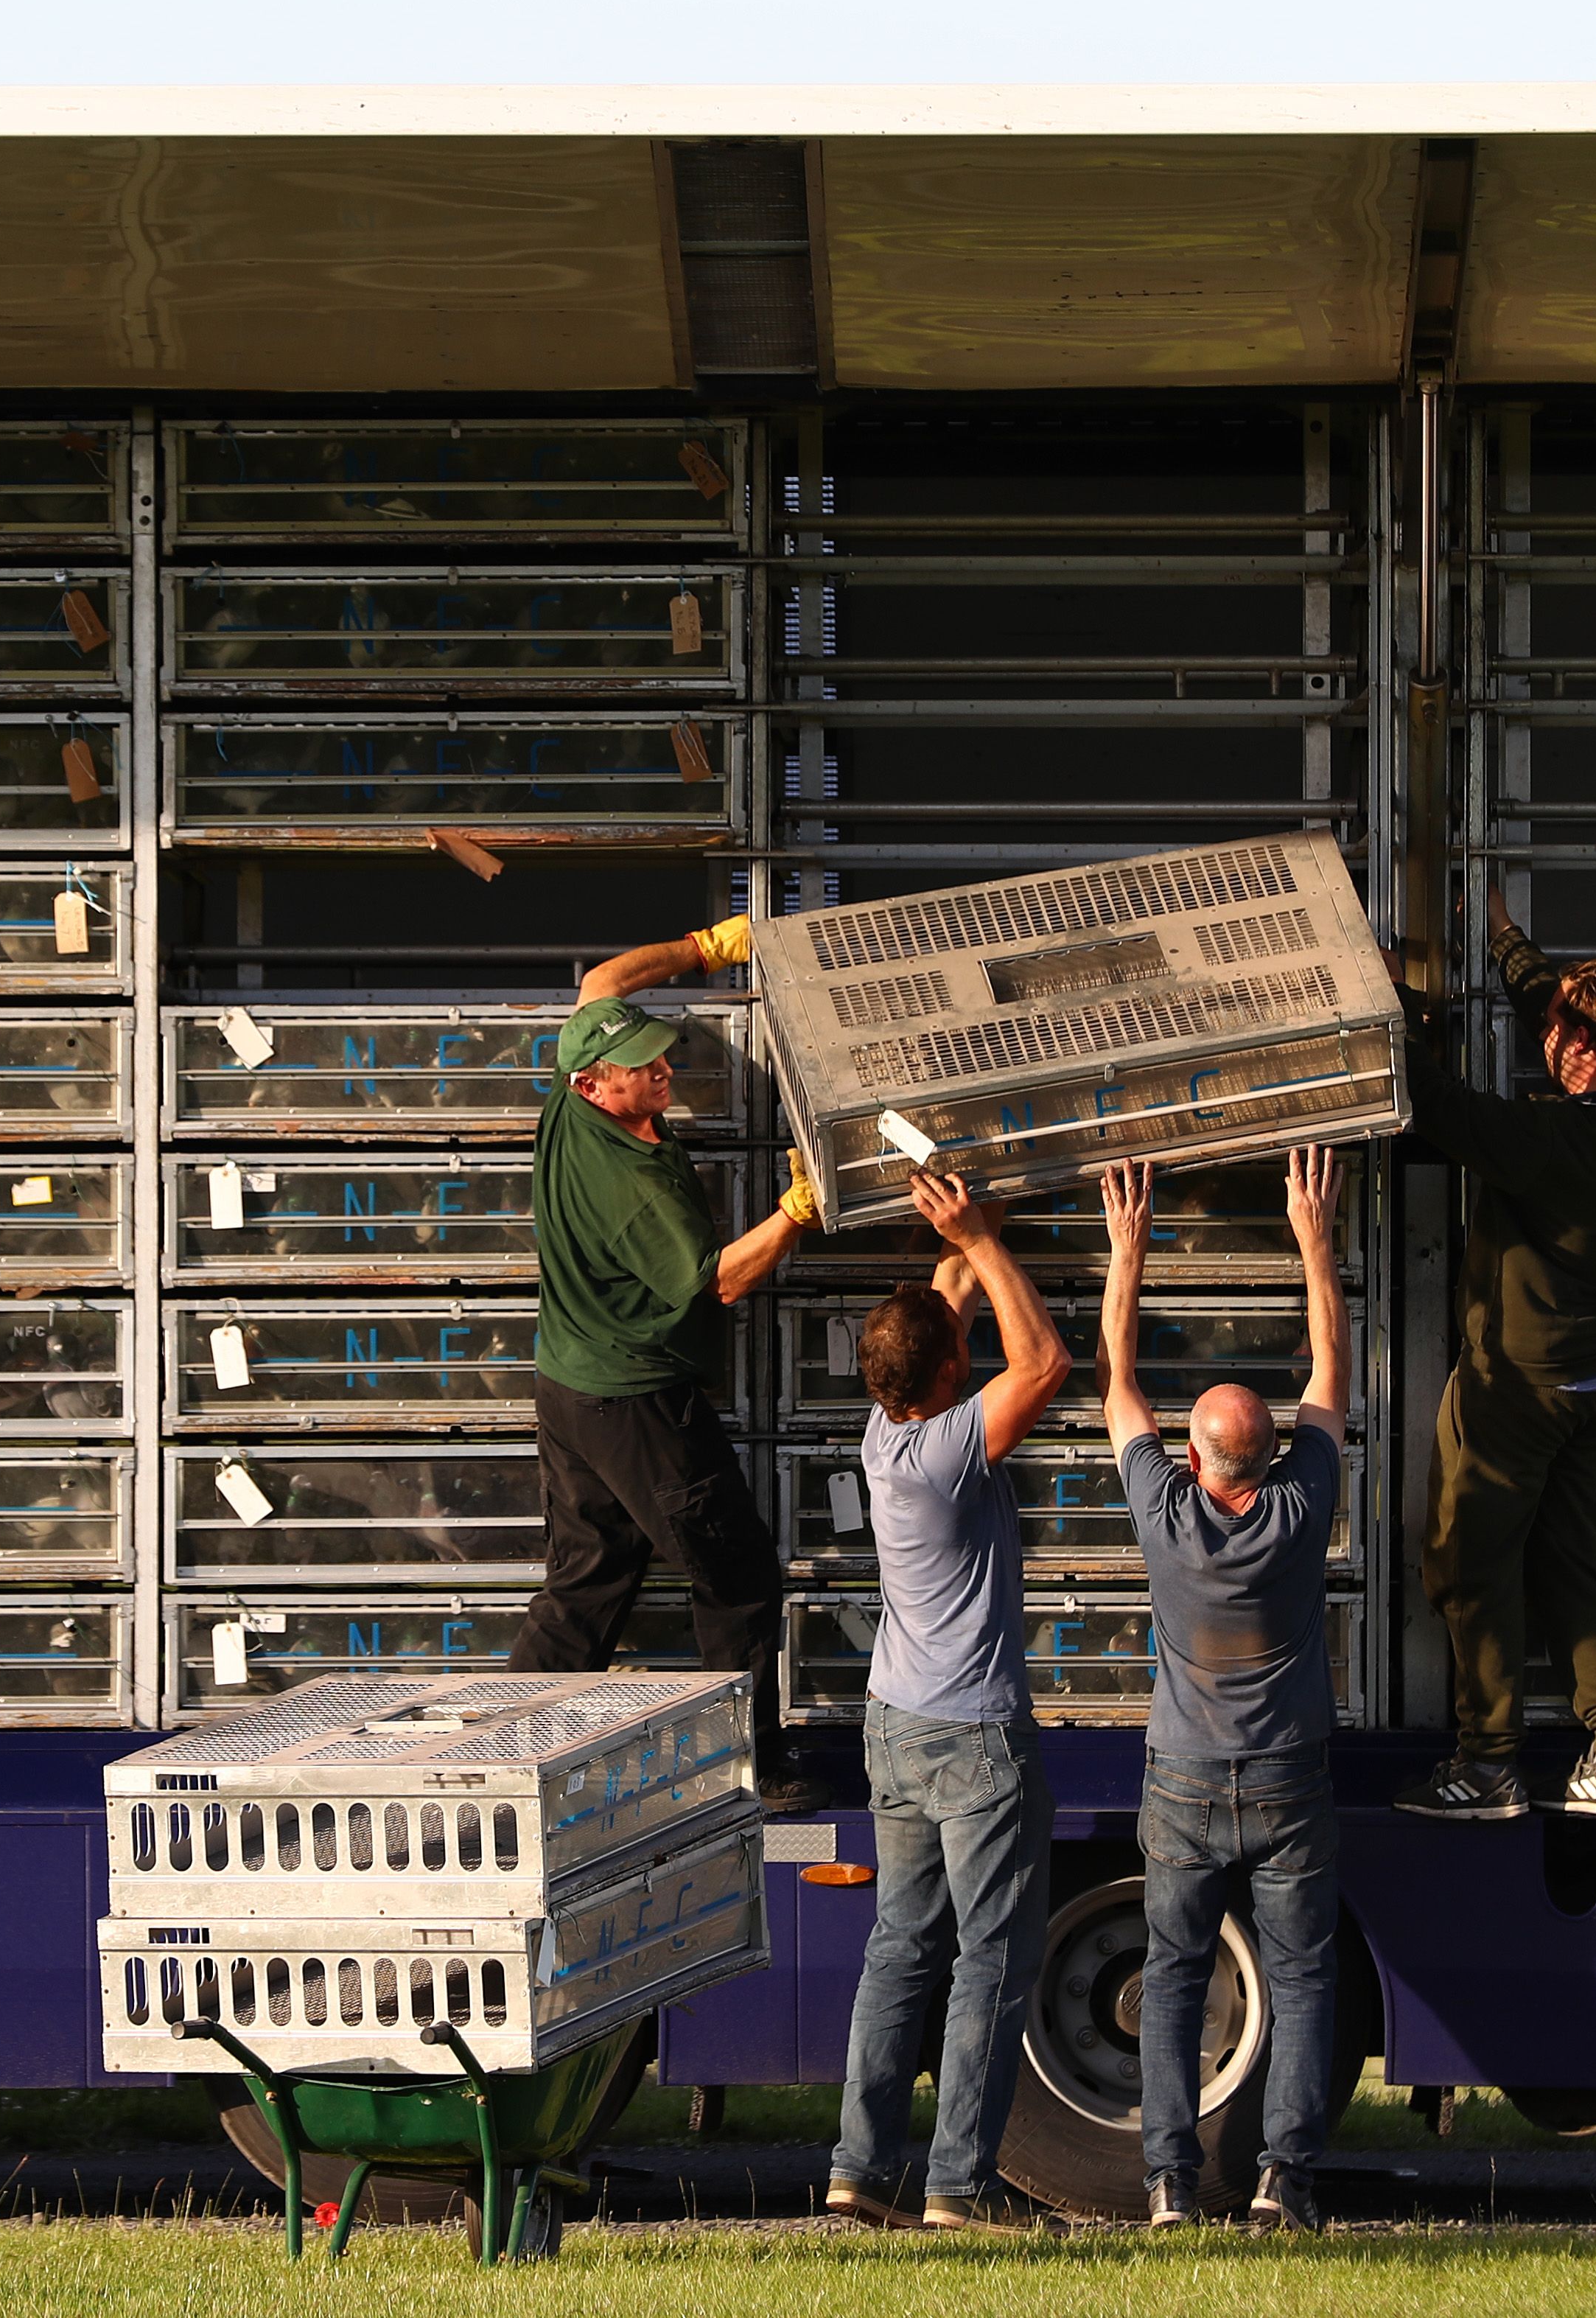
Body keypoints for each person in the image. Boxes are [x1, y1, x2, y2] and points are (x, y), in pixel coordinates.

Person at [508, 912, 826, 1812]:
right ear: (597, 1088)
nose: (665, 1070)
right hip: (640, 1403)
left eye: (660, 1055)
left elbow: (601, 982)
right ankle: (748, 1772)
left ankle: (512, 1749)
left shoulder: (576, 1081)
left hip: (570, 1385)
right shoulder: (639, 1194)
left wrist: (701, 948)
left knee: (588, 1581)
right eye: (646, 1068)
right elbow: (720, 1283)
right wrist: (799, 1209)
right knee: (736, 1575)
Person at [1100, 1145, 1347, 2235]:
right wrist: (1313, 1241)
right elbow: (1332, 1373)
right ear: (1269, 1458)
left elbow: (1114, 1382)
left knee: (1172, 1980)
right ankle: (1280, 2183)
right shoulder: (1301, 1512)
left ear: (1195, 1459)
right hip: (1289, 1781)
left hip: (1184, 1781)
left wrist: (1128, 1253)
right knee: (1299, 1985)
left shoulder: (1163, 1514)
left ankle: (1166, 2182)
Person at [824, 1169, 1074, 2236]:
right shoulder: (945, 1453)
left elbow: (945, 1310)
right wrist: (988, 1246)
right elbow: (1045, 1363)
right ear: (942, 1379)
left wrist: (967, 1235)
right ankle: (958, 2184)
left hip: (893, 1720)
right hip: (971, 1735)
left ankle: (859, 2169)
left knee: (899, 1947)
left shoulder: (886, 1428)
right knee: (991, 1960)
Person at [1394, 881, 1596, 1825]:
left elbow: (1437, 1106)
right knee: (1568, 1559)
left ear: (1584, 1051)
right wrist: (1509, 944)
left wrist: (1383, 1001)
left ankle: (1488, 1763)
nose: (1543, 1039)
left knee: (1468, 1558)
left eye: (1558, 1033)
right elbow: (1554, 1004)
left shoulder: (1551, 1139)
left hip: (1521, 1388)